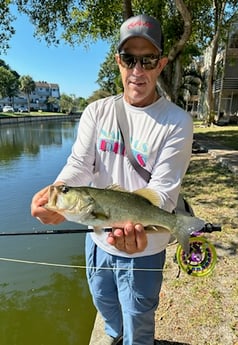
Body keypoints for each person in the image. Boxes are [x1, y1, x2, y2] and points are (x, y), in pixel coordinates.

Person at [31, 14, 193, 345]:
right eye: (129, 59)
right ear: (118, 61)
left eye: (147, 59)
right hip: (98, 240)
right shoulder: (96, 111)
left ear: (160, 64)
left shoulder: (177, 122)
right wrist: (57, 193)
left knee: (138, 324)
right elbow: (79, 163)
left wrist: (149, 226)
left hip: (145, 248)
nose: (138, 70)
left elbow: (162, 192)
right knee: (107, 310)